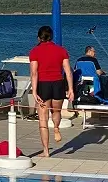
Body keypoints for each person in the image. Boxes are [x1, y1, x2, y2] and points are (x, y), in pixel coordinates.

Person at [29, 26, 74, 158]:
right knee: (57, 111)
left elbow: (34, 73)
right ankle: (56, 128)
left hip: (43, 84)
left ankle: (46, 151)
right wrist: (70, 89)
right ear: (52, 37)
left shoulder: (34, 52)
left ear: (39, 37)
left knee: (43, 119)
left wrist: (34, 91)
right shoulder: (61, 50)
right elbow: (68, 71)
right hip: (58, 84)